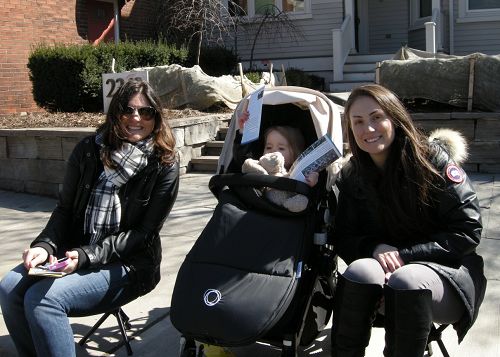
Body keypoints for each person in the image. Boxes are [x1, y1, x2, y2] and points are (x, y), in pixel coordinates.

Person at [0, 79, 180, 357]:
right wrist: (44, 245)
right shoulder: (88, 151)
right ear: (115, 113)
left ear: (156, 119)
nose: (136, 118)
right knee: (9, 288)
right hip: (74, 251)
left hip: (129, 264)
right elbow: (65, 211)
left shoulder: (164, 164)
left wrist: (85, 257)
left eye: (146, 113)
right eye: (128, 110)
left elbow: (143, 233)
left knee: (43, 301)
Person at [329, 84, 486, 357]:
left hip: (446, 276)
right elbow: (344, 235)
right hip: (386, 274)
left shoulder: (432, 161)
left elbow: (468, 230)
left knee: (407, 279)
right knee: (359, 272)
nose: (368, 128)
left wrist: (404, 256)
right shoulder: (353, 175)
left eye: (377, 117)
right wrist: (374, 249)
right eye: (359, 122)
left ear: (395, 118)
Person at [238, 110, 319, 187]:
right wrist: (243, 131)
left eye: (281, 148)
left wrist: (310, 182)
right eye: (269, 147)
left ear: (295, 154)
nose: (273, 152)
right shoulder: (257, 167)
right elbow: (242, 158)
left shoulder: (296, 175)